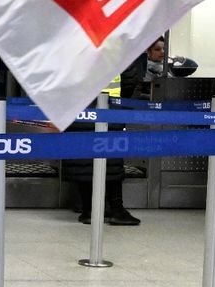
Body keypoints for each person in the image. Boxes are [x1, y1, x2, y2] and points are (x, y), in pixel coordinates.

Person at [68, 39, 160, 226]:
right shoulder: (116, 48)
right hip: (110, 110)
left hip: (80, 109)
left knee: (84, 160)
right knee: (112, 160)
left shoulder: (75, 48)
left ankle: (89, 209)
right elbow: (130, 78)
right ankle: (116, 209)